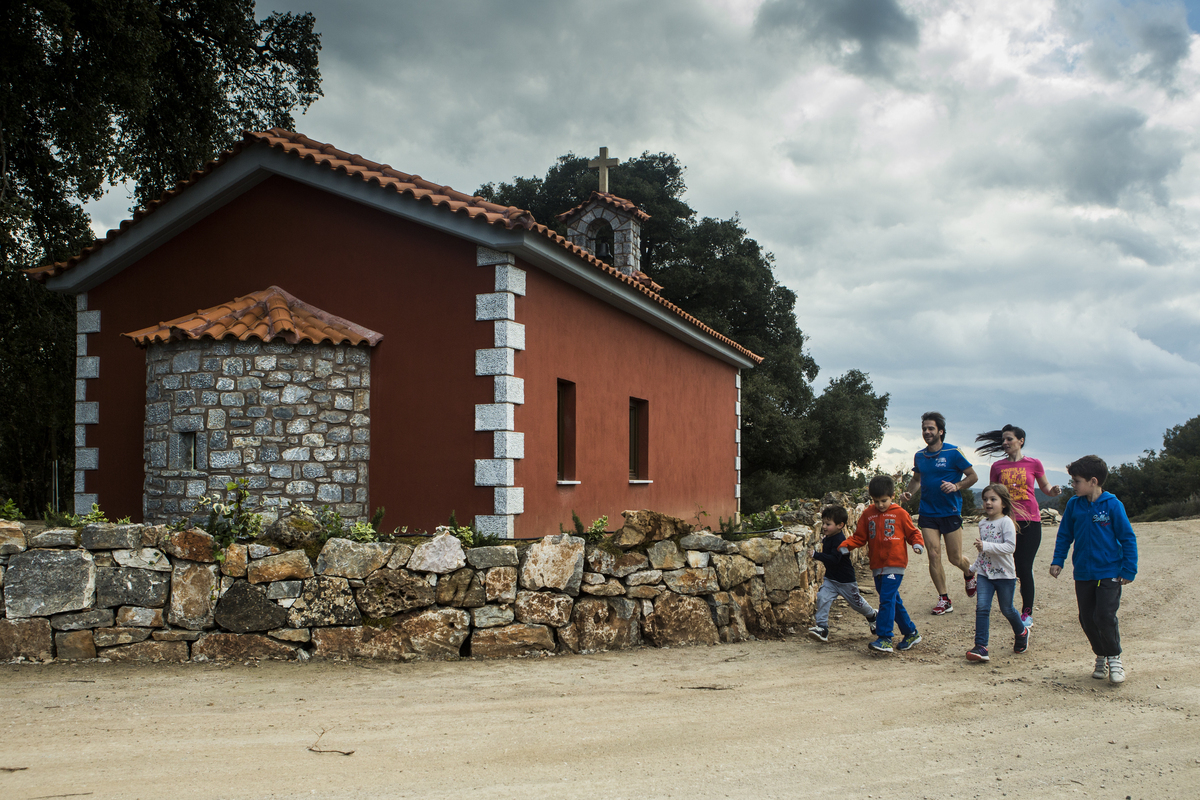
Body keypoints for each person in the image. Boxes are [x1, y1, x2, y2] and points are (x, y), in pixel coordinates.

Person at [1049, 455, 1138, 684]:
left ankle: (1114, 658)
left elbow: (1127, 538)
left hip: (1109, 572)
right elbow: (1065, 535)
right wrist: (1058, 560)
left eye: (1077, 481)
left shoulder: (1113, 505)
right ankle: (1101, 655)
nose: (1073, 485)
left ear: (1093, 481)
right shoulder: (1073, 505)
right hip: (1083, 573)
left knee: (1105, 615)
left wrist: (1129, 569)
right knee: (1087, 618)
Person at [975, 424, 1062, 628]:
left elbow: (1045, 488)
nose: (1005, 443)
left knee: (1024, 567)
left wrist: (1054, 491)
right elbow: (992, 493)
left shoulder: (1034, 464)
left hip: (1031, 521)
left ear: (1021, 441)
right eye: (1003, 440)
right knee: (1007, 566)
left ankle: (1026, 612)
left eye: (1009, 439)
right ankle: (1009, 607)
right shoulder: (997, 467)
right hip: (1005, 522)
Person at [838, 475, 925, 654]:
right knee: (892, 600)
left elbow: (913, 532)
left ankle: (884, 637)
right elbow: (860, 537)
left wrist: (917, 544)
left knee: (886, 599)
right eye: (876, 501)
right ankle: (911, 632)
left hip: (895, 564)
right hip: (877, 566)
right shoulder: (868, 514)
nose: (880, 505)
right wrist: (845, 546)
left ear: (892, 496)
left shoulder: (900, 513)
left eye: (884, 501)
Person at [903, 411, 979, 615]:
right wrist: (909, 492)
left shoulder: (954, 452)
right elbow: (917, 479)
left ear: (940, 431)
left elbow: (973, 476)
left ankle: (969, 572)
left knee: (954, 558)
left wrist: (956, 486)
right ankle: (944, 599)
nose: (926, 432)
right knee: (934, 554)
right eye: (924, 429)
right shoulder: (920, 456)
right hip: (928, 512)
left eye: (931, 429)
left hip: (950, 511)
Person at [965, 484, 1030, 662]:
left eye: (993, 499)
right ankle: (981, 646)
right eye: (985, 499)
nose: (988, 502)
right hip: (985, 575)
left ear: (1003, 503)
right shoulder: (983, 523)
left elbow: (1010, 547)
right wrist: (972, 569)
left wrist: (986, 546)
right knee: (982, 608)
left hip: (1005, 576)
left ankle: (1021, 632)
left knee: (1007, 609)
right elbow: (983, 552)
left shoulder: (1006, 522)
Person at [808, 505, 878, 643]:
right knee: (822, 597)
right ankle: (822, 628)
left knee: (856, 603)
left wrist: (817, 555)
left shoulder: (841, 541)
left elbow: (834, 559)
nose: (824, 527)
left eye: (828, 524)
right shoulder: (828, 537)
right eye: (823, 523)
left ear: (840, 525)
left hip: (845, 581)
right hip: (831, 579)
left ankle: (872, 615)